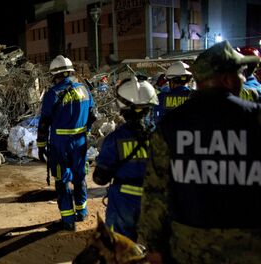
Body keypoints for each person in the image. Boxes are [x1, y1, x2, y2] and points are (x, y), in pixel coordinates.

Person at [138, 40, 261, 263]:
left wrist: (154, 245)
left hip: (188, 247)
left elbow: (156, 193)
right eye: (240, 73)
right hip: (247, 246)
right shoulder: (255, 119)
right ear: (226, 78)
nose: (244, 79)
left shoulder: (171, 125)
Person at [93, 77, 158, 241]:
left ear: (122, 107)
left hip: (123, 203)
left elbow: (100, 178)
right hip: (154, 202)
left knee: (121, 247)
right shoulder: (161, 138)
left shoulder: (114, 139)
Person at [37, 55, 96, 231]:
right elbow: (92, 116)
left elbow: (44, 122)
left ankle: (68, 221)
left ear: (55, 75)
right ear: (70, 72)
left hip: (60, 145)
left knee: (62, 181)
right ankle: (82, 212)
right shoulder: (85, 90)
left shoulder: (52, 94)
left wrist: (41, 146)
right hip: (80, 143)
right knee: (80, 178)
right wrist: (85, 131)